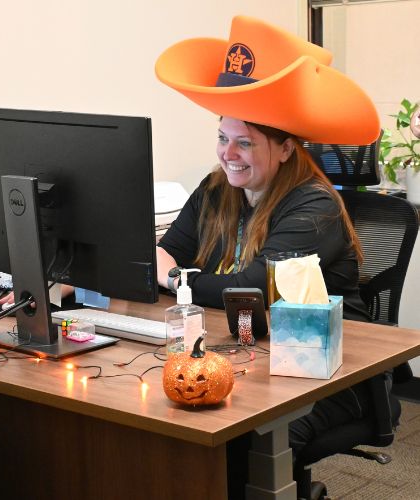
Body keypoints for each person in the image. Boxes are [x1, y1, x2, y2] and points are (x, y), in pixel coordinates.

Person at [153, 15, 389, 492]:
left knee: (234, 444)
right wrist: (177, 271)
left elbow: (252, 288)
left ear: (284, 148)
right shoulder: (217, 188)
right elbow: (163, 251)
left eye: (245, 141)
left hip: (328, 377)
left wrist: (177, 278)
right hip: (247, 355)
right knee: (167, 427)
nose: (228, 153)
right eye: (222, 137)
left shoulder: (314, 204)